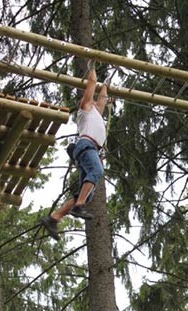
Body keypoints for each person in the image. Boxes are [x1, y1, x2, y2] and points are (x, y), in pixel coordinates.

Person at [41, 60, 109, 240]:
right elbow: (92, 86)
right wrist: (92, 66)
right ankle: (78, 206)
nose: (95, 102)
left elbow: (102, 98)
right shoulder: (85, 108)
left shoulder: (96, 113)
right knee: (96, 171)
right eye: (92, 100)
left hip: (90, 149)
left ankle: (53, 218)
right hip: (86, 146)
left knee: (84, 195)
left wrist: (107, 83)